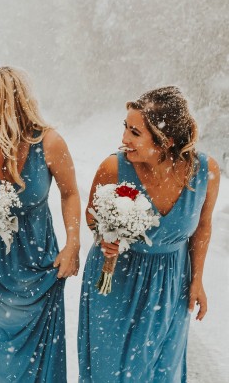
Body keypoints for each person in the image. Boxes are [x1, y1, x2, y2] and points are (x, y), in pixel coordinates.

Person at [78, 86, 220, 382]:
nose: (124, 140)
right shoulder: (113, 168)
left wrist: (197, 280)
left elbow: (203, 226)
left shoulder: (205, 171)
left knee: (161, 370)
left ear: (165, 141)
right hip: (116, 278)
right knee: (109, 370)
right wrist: (104, 237)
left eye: (135, 132)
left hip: (169, 284)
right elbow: (92, 218)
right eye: (125, 128)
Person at [0, 66, 80, 382]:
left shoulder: (50, 143)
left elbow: (70, 194)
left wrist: (73, 244)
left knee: (38, 365)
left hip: (38, 267)